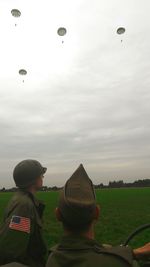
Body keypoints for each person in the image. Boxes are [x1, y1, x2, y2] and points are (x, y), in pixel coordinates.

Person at [46, 164, 150, 267]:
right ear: (97, 213)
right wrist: (131, 255)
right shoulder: (120, 263)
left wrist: (132, 253)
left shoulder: (52, 258)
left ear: (58, 214)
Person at [0, 159, 48, 267]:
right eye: (41, 175)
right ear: (33, 180)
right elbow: (11, 250)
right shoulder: (24, 206)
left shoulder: (22, 199)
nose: (42, 178)